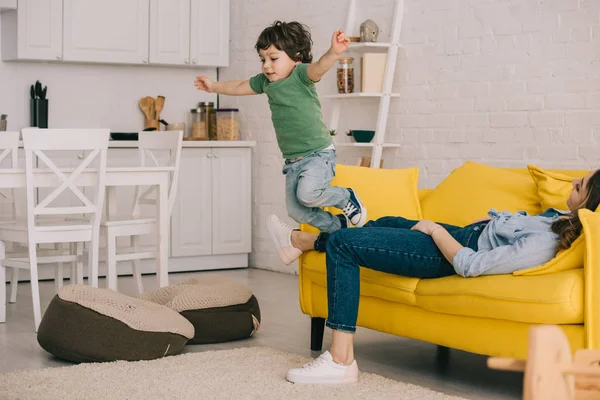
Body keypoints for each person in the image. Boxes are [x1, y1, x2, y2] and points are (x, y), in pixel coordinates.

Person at [266, 169, 600, 384]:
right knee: (385, 221)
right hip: (463, 234)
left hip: (447, 253)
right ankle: (299, 242)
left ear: (589, 201)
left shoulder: (547, 242)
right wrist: (486, 223)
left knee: (344, 244)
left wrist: (435, 230)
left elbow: (471, 264)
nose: (572, 182)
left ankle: (341, 360)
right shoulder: (557, 218)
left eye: (580, 184)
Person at [194, 21, 367, 251]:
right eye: (263, 59)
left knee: (308, 194)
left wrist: (333, 52)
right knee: (296, 211)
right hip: (293, 161)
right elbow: (240, 85)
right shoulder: (266, 82)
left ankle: (346, 198)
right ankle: (338, 227)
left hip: (318, 154)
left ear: (296, 57)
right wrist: (214, 86)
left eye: (273, 58)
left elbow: (319, 67)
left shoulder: (301, 75)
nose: (267, 65)